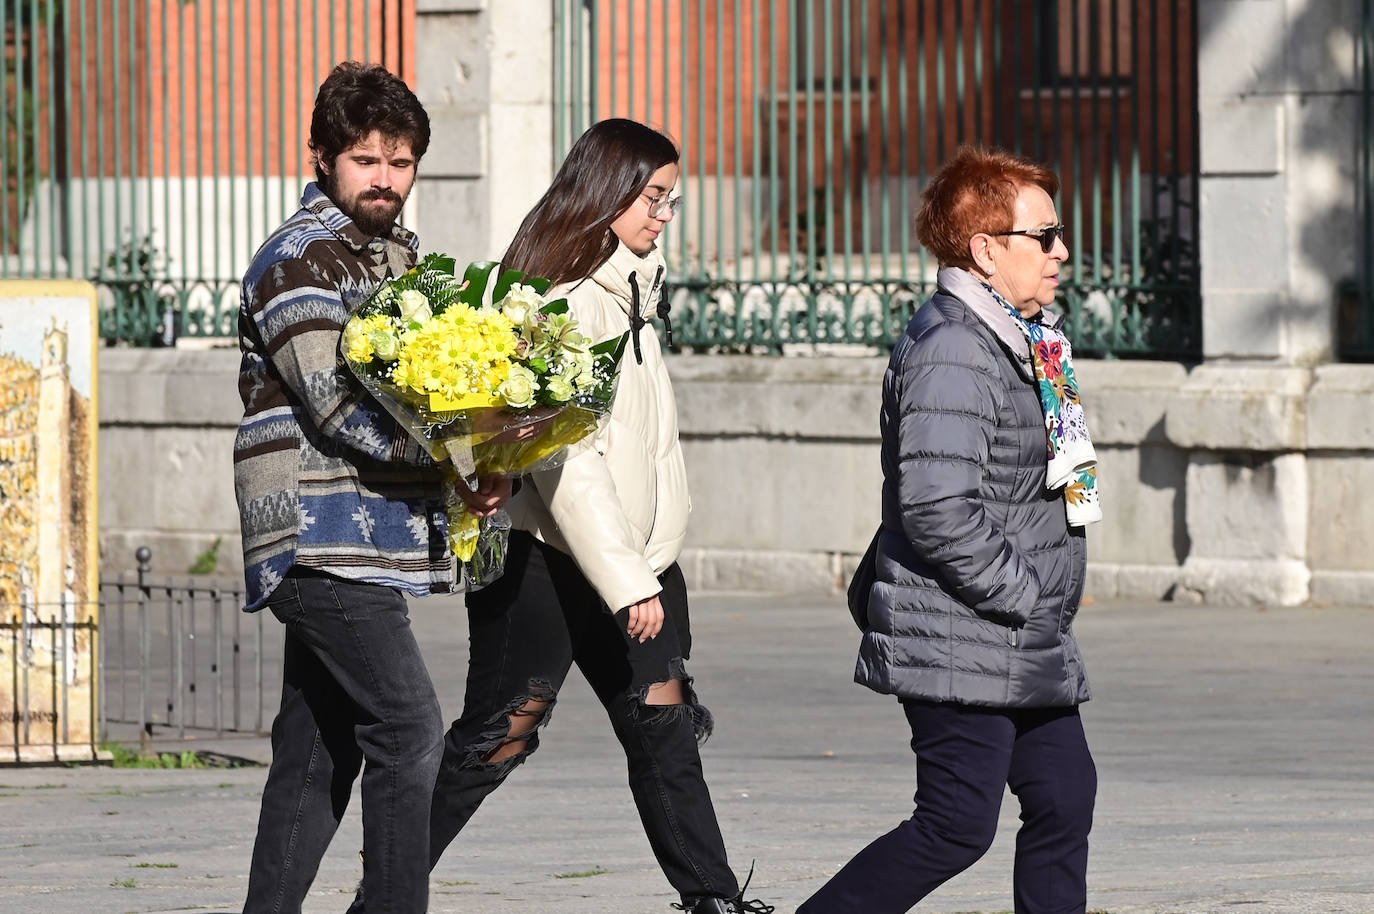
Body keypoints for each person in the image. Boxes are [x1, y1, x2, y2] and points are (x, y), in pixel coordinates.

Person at [422, 118, 772, 914]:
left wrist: (650, 561)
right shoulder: (559, 304)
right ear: (606, 191)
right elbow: (563, 458)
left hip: (640, 563)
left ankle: (714, 901)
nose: (663, 215)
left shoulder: (635, 293)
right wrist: (628, 580)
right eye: (652, 197)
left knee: (665, 726)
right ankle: (383, 894)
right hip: (547, 562)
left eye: (671, 200)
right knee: (497, 738)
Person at [798, 145, 1101, 914]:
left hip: (1020, 631)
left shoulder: (1027, 339)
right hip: (965, 625)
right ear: (988, 250)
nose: (1062, 250)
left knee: (1064, 797)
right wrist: (1024, 592)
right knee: (956, 825)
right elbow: (936, 505)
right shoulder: (956, 348)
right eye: (1046, 235)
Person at [235, 61, 508, 914]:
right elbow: (335, 399)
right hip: (315, 531)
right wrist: (457, 458)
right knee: (409, 730)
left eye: (400, 161)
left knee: (318, 753)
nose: (385, 179)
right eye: (366, 160)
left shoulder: (402, 263)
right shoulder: (296, 259)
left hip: (367, 534)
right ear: (321, 157)